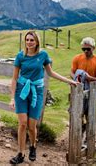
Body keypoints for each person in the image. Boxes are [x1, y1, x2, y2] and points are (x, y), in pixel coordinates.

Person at [9, 30, 78, 164]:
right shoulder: (20, 56)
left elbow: (50, 73)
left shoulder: (43, 55)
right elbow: (14, 78)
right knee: (22, 124)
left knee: (31, 126)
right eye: (27, 40)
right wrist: (12, 98)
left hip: (37, 92)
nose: (29, 42)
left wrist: (69, 81)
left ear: (37, 42)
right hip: (21, 92)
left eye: (32, 40)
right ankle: (20, 153)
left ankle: (33, 146)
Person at [71, 37, 96, 146]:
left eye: (88, 49)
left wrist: (89, 78)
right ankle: (78, 136)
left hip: (91, 92)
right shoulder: (77, 58)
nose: (85, 51)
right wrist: (76, 79)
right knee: (76, 113)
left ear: (93, 48)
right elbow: (72, 73)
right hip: (79, 91)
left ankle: (87, 139)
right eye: (83, 49)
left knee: (89, 115)